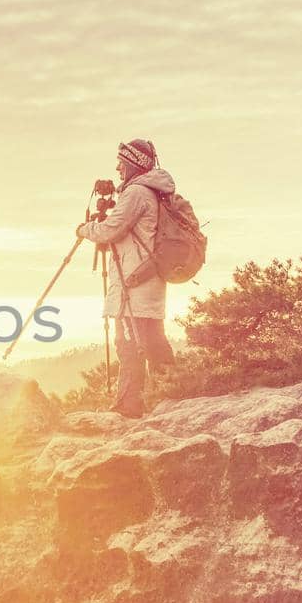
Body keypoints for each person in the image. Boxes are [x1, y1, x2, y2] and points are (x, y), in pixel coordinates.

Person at [76, 138, 176, 418]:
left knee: (136, 344)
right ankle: (168, 395)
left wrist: (85, 229)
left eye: (122, 162)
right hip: (141, 280)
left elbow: (109, 230)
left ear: (134, 164)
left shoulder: (136, 194)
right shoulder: (148, 192)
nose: (118, 168)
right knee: (144, 341)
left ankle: (133, 405)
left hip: (135, 284)